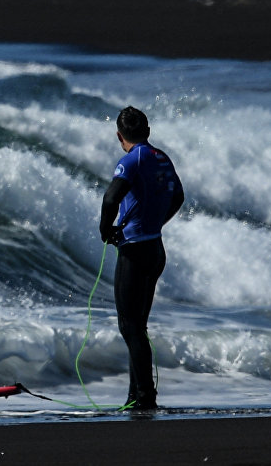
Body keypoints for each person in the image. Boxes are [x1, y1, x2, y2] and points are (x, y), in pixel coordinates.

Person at [99, 106, 184, 411]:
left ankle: (144, 397)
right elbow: (178, 196)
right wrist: (157, 222)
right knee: (138, 325)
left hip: (134, 251)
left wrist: (105, 231)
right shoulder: (162, 157)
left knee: (129, 326)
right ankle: (137, 394)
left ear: (120, 136)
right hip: (155, 249)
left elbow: (111, 198)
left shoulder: (131, 160)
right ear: (147, 132)